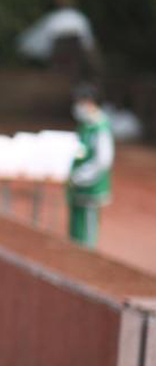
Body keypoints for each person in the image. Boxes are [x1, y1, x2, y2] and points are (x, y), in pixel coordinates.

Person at [68, 85, 114, 248]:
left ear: (89, 102)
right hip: (78, 187)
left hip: (90, 188)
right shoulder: (86, 124)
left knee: (87, 234)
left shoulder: (100, 127)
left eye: (80, 102)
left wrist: (81, 176)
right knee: (75, 233)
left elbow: (103, 160)